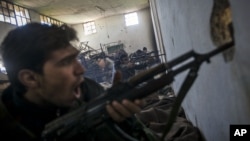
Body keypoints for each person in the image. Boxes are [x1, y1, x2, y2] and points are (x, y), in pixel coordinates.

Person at [0, 23, 154, 141]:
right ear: (30, 78)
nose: (81, 69)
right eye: (66, 62)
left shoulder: (89, 90)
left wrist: (121, 123)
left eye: (76, 58)